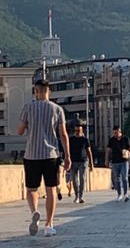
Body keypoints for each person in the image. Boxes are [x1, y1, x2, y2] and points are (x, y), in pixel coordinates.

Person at [17, 79, 71, 236]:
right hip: (51, 155)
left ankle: (34, 212)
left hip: (31, 154)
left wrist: (27, 126)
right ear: (49, 92)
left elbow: (20, 131)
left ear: (36, 91)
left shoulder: (28, 108)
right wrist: (67, 156)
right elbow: (63, 134)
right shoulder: (57, 109)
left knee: (31, 189)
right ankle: (49, 224)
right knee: (51, 189)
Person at [105, 126, 130, 202]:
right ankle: (119, 194)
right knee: (117, 179)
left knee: (124, 178)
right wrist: (106, 160)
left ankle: (126, 194)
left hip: (124, 161)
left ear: (120, 131)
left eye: (116, 133)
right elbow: (108, 151)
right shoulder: (111, 140)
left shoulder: (125, 139)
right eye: (114, 133)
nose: (115, 134)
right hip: (115, 161)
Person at [69, 123, 93, 203]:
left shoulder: (85, 140)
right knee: (74, 179)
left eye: (78, 130)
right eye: (75, 130)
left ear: (82, 130)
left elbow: (89, 151)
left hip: (83, 161)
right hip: (73, 161)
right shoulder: (71, 139)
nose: (77, 132)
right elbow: (67, 150)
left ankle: (81, 196)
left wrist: (91, 163)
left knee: (82, 178)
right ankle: (76, 196)